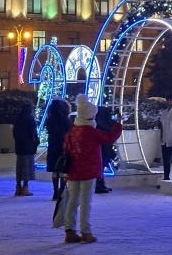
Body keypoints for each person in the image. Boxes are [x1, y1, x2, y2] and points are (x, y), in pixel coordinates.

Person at [63, 94, 123, 244]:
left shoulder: (73, 130)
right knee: (85, 201)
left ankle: (69, 230)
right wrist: (118, 124)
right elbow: (109, 138)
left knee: (72, 201)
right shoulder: (91, 131)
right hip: (88, 171)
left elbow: (65, 146)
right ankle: (86, 232)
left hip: (73, 169)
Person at [45, 99, 72, 200]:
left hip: (52, 145)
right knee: (63, 169)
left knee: (55, 170)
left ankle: (55, 191)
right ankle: (62, 190)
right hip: (63, 146)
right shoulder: (66, 120)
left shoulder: (50, 120)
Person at [13, 102, 39, 197]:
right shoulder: (30, 119)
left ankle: (18, 187)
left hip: (19, 147)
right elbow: (33, 133)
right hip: (28, 147)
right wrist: (35, 142)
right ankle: (25, 187)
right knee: (27, 167)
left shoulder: (18, 119)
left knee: (19, 167)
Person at [94, 106, 116, 193]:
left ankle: (100, 184)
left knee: (101, 167)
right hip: (103, 149)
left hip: (102, 148)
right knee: (101, 166)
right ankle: (99, 184)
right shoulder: (103, 124)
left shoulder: (98, 123)